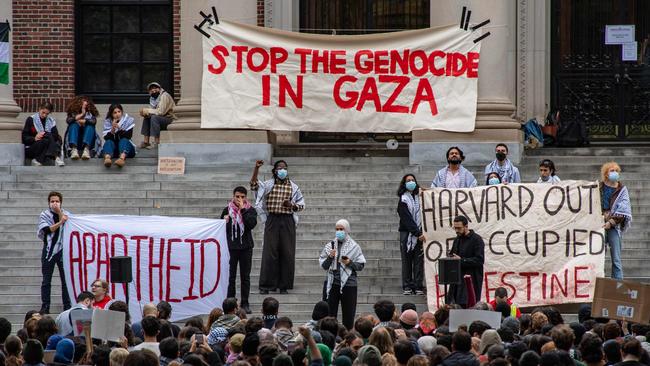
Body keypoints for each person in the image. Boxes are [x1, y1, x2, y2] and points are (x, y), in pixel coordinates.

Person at [251, 160, 305, 295]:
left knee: (287, 252)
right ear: (275, 171)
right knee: (270, 252)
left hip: (287, 221)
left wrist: (292, 205)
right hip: (273, 219)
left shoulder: (293, 187)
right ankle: (266, 285)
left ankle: (284, 285)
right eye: (280, 168)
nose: (283, 170)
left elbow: (302, 205)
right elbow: (253, 185)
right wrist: (256, 169)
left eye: (285, 168)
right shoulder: (268, 185)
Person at [319, 219, 366, 330]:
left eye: (341, 229)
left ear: (347, 230)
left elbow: (360, 266)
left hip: (349, 284)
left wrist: (350, 263)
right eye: (337, 229)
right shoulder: (330, 245)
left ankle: (347, 338)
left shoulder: (354, 246)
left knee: (348, 316)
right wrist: (330, 257)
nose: (339, 231)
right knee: (329, 316)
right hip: (332, 283)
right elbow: (324, 266)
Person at [221, 186, 258, 314]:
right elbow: (220, 229)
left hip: (246, 247)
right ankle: (230, 302)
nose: (239, 199)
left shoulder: (250, 210)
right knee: (230, 276)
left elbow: (251, 224)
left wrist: (243, 210)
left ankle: (245, 302)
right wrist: (224, 222)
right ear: (233, 196)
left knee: (245, 276)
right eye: (237, 197)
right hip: (231, 248)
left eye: (242, 197)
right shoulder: (227, 210)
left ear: (246, 198)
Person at [38, 191, 71, 314]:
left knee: (65, 281)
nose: (55, 203)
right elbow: (47, 229)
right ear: (48, 203)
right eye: (52, 201)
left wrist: (60, 214)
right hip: (49, 251)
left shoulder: (66, 214)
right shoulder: (44, 215)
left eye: (57, 201)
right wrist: (60, 222)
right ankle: (45, 306)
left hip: (63, 251)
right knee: (46, 281)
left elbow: (69, 225)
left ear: (61, 202)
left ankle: (67, 305)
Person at [600, 162, 632, 280]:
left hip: (614, 227)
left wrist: (611, 222)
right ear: (606, 174)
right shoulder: (599, 187)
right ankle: (599, 286)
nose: (615, 173)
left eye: (616, 171)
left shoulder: (622, 190)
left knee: (616, 260)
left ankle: (617, 287)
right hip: (600, 225)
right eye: (612, 171)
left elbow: (624, 210)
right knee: (598, 259)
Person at [396, 174, 426, 296]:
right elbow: (406, 218)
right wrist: (417, 233)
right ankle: (407, 285)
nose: (411, 182)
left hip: (420, 233)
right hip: (407, 234)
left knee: (419, 261)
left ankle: (418, 285)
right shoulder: (403, 199)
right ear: (404, 184)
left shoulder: (420, 197)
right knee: (407, 261)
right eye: (408, 181)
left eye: (413, 180)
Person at [447, 215, 485, 308]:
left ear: (466, 226)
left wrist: (461, 260)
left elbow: (479, 260)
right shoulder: (457, 239)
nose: (456, 231)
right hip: (457, 282)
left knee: (468, 306)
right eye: (455, 228)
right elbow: (453, 254)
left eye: (459, 228)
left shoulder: (477, 240)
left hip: (470, 282)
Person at [22, 101, 64, 167]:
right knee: (47, 136)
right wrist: (34, 138)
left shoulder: (51, 121)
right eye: (43, 112)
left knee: (47, 138)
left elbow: (55, 136)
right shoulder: (31, 119)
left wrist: (44, 135)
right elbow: (24, 137)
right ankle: (56, 157)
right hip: (32, 147)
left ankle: (37, 160)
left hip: (46, 146)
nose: (44, 115)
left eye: (47, 114)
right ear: (39, 109)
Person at [140, 82, 176, 149]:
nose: (153, 90)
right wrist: (146, 113)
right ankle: (146, 142)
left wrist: (148, 110)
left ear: (159, 89)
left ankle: (157, 142)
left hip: (170, 120)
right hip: (162, 118)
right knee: (147, 117)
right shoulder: (153, 100)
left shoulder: (164, 96)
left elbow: (161, 112)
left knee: (154, 117)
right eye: (151, 89)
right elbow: (153, 111)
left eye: (155, 88)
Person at [64, 95, 100, 160]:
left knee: (90, 126)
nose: (84, 107)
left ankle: (86, 150)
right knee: (73, 125)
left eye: (85, 106)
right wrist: (82, 114)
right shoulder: (72, 114)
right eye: (82, 105)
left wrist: (84, 121)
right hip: (75, 142)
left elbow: (93, 122)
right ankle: (74, 150)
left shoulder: (90, 115)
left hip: (88, 143)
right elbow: (68, 121)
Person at [102, 104, 136, 168]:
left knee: (124, 140)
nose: (117, 114)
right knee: (109, 142)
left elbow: (128, 136)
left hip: (127, 150)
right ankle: (107, 159)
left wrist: (119, 128)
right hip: (114, 151)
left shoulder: (128, 121)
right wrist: (112, 129)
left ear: (122, 112)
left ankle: (121, 159)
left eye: (119, 112)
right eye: (115, 113)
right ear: (111, 114)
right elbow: (106, 138)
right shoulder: (108, 122)